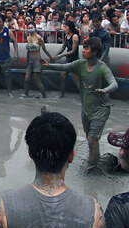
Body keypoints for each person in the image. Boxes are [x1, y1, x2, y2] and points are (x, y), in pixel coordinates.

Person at [45, 37, 118, 171]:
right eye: (83, 47)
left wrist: (105, 90)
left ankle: (92, 167)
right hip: (86, 109)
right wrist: (48, 65)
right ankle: (96, 160)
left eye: (86, 48)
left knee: (92, 139)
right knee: (91, 139)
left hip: (101, 109)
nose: (83, 51)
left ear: (94, 51)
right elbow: (63, 66)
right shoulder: (80, 64)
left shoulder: (102, 68)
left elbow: (114, 84)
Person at [0, 14, 18, 96]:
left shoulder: (8, 31)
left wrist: (16, 53)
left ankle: (9, 91)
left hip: (5, 57)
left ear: (3, 22)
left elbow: (14, 41)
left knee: (7, 75)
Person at [23, 24, 54, 98]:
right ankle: (26, 95)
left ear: (35, 28)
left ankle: (44, 97)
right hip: (30, 61)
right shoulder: (28, 38)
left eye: (31, 27)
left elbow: (44, 49)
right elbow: (28, 51)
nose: (30, 29)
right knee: (26, 79)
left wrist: (51, 57)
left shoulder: (39, 38)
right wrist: (27, 62)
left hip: (37, 60)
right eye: (29, 27)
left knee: (37, 80)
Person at [55, 20, 81, 98]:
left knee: (76, 79)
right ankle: (61, 94)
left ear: (69, 28)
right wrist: (56, 55)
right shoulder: (66, 36)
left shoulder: (75, 36)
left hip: (74, 60)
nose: (64, 28)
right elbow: (63, 47)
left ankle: (83, 95)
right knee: (62, 76)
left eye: (65, 27)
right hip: (68, 59)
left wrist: (61, 55)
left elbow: (73, 51)